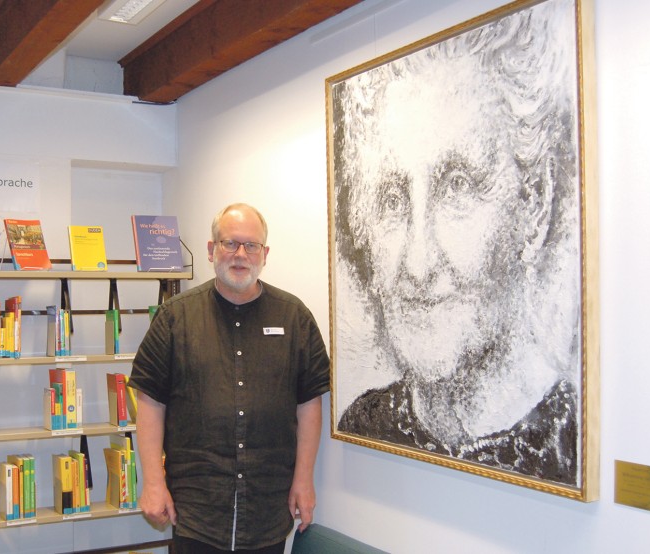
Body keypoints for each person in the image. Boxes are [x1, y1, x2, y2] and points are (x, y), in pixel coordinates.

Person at [331, 0, 582, 486]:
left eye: (459, 186)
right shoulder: (365, 423)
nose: (419, 264)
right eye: (391, 198)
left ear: (534, 203)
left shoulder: (565, 445)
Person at [129, 203, 330, 553]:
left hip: (267, 509)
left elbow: (309, 403)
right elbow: (150, 401)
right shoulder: (175, 318)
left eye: (251, 245)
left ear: (264, 254)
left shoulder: (294, 316)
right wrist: (153, 482)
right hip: (196, 511)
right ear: (211, 250)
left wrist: (304, 479)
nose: (241, 254)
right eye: (230, 243)